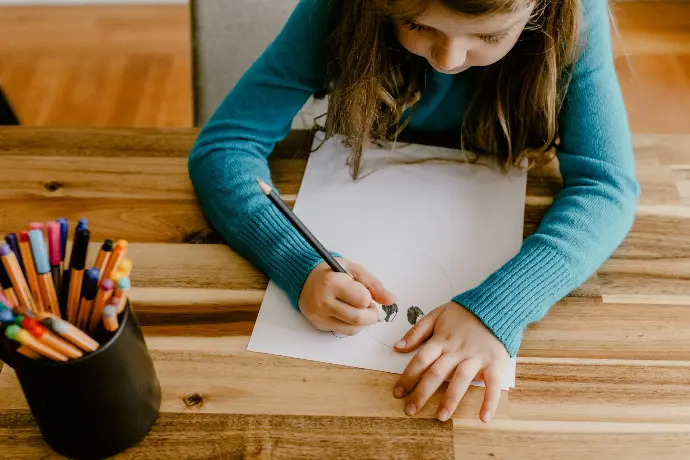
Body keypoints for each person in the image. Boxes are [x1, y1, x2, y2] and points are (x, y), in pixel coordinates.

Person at [188, 0, 639, 424]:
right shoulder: (339, 6)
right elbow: (226, 146)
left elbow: (606, 187)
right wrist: (296, 263)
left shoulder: (577, 13)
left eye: (489, 35)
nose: (447, 59)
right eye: (418, 25)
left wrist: (499, 307)